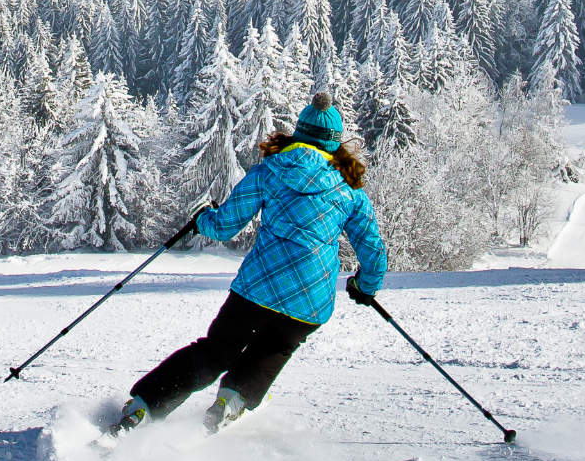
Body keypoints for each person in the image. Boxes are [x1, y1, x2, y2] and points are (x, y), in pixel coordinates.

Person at [112, 93, 387, 435]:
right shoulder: (350, 191)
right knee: (275, 347)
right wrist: (365, 286)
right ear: (335, 143)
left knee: (216, 352)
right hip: (310, 300)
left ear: (299, 132)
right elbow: (373, 251)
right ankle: (233, 400)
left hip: (257, 288)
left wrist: (203, 220)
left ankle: (145, 407)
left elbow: (226, 224)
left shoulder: (269, 171)